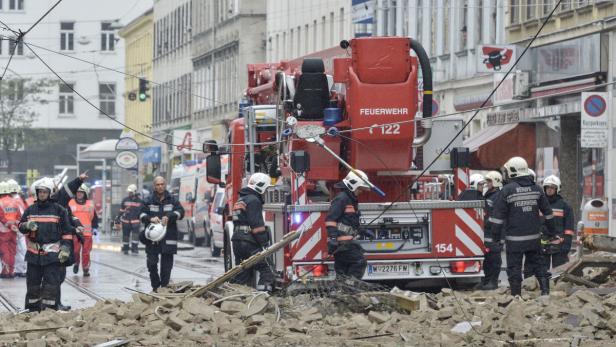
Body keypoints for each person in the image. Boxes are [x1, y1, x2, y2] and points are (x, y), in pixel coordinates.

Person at [489, 157, 556, 296]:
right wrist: (552, 232)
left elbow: (497, 218)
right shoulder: (537, 189)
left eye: (507, 171)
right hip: (534, 239)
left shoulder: (507, 190)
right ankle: (545, 292)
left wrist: (495, 239)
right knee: (539, 266)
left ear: (513, 172)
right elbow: (548, 213)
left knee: (514, 269)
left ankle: (516, 297)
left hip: (515, 241)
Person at [18, 177, 75, 311]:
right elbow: (20, 226)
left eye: (44, 192)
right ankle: (32, 309)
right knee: (33, 284)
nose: (42, 194)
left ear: (49, 193)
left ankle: (49, 310)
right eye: (40, 192)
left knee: (51, 284)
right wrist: (26, 225)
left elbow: (67, 232)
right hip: (33, 256)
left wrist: (66, 248)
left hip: (52, 256)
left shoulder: (59, 210)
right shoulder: (30, 210)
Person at [230, 172, 274, 291]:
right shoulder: (254, 200)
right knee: (266, 270)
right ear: (261, 186)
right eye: (265, 189)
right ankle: (262, 297)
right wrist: (264, 243)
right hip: (249, 242)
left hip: (237, 241)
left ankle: (236, 298)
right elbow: (257, 226)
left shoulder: (241, 200)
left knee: (243, 273)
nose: (265, 192)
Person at [139, 176, 184, 292]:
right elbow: (141, 214)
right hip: (152, 239)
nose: (160, 186)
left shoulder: (173, 200)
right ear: (154, 186)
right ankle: (155, 286)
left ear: (165, 185)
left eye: (162, 184)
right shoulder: (148, 200)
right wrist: (150, 218)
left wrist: (170, 216)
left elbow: (181, 212)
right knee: (152, 264)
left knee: (166, 267)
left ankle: (164, 288)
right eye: (158, 184)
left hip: (168, 238)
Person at [326, 170, 371, 280]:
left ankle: (342, 292)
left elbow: (348, 223)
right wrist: (333, 238)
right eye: (359, 189)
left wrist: (362, 230)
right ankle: (350, 288)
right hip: (342, 244)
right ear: (353, 185)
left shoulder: (350, 200)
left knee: (343, 271)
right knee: (359, 262)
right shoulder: (342, 199)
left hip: (346, 243)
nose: (360, 192)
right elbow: (330, 220)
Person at [477, 171, 503, 290]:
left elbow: (497, 214)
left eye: (489, 181)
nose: (487, 183)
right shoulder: (488, 195)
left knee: (494, 259)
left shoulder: (497, 196)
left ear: (495, 182)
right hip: (487, 233)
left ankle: (493, 281)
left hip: (494, 233)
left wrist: (487, 222)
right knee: (487, 259)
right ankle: (486, 281)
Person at [540, 175, 574, 268]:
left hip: (559, 245)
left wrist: (567, 245)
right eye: (547, 187)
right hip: (542, 245)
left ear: (557, 189)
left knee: (559, 273)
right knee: (542, 273)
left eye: (552, 187)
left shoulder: (565, 206)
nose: (549, 189)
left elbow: (569, 228)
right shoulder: (539, 204)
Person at [68, 184, 99, 277]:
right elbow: (67, 217)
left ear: (85, 193)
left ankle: (85, 269)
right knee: (75, 251)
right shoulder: (71, 203)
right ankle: (76, 263)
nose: (79, 194)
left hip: (87, 233)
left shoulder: (90, 204)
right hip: (75, 233)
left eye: (81, 192)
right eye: (77, 192)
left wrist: (95, 227)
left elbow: (95, 218)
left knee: (86, 252)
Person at [8, 180, 27, 278]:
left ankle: (21, 269)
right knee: (20, 248)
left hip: (17, 227)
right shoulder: (18, 200)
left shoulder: (15, 200)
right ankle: (20, 269)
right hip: (18, 226)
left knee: (19, 249)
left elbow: (21, 215)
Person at [120, 184, 143, 254]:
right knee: (125, 236)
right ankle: (126, 248)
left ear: (134, 192)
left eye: (131, 192)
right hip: (126, 222)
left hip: (135, 222)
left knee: (135, 236)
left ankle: (134, 248)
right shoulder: (125, 200)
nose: (129, 193)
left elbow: (141, 211)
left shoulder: (140, 201)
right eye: (129, 192)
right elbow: (121, 210)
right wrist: (118, 218)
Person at [0, 182, 15, 278]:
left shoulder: (0, 202)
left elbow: (1, 217)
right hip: (14, 230)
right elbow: (20, 216)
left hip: (3, 231)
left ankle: (5, 272)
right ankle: (11, 272)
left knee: (4, 251)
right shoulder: (15, 202)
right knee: (12, 252)